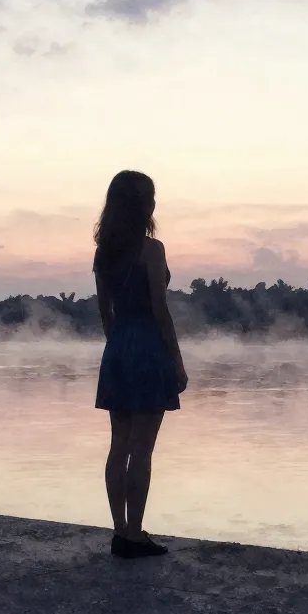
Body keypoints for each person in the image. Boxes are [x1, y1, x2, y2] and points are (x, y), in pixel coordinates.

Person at [93, 170, 189, 559]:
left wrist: (118, 344)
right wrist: (176, 361)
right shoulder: (152, 250)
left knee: (119, 445)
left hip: (118, 345)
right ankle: (134, 534)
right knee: (142, 449)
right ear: (144, 205)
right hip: (148, 345)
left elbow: (105, 310)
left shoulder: (104, 253)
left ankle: (120, 531)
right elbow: (160, 310)